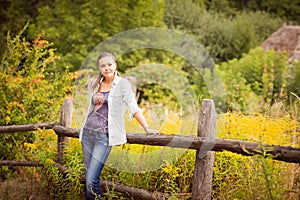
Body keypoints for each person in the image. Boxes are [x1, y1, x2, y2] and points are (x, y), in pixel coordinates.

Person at [79, 51, 159, 199]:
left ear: (115, 65)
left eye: (109, 64)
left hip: (103, 138)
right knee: (90, 179)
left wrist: (146, 127)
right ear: (99, 68)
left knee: (91, 180)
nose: (106, 68)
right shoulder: (96, 84)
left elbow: (133, 106)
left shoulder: (122, 84)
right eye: (103, 66)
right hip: (87, 135)